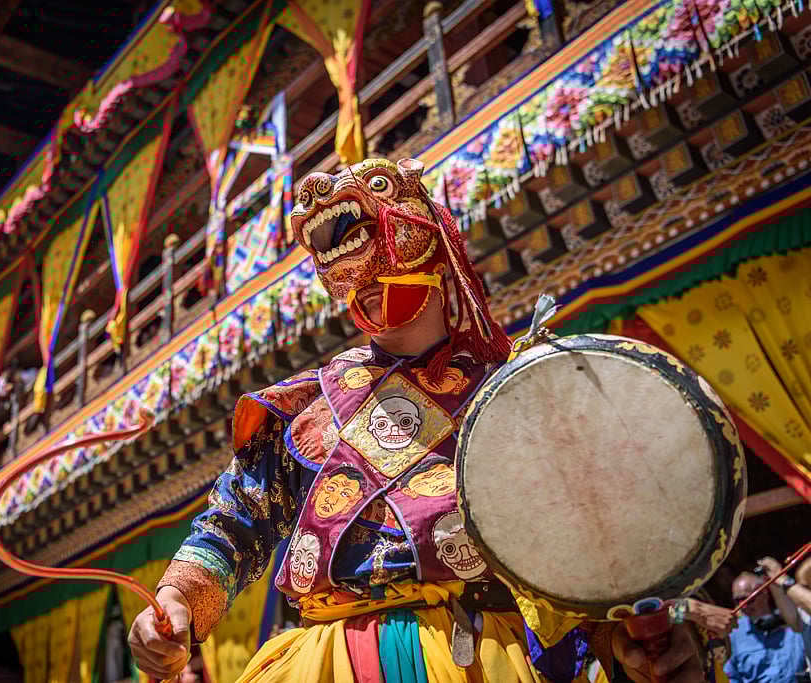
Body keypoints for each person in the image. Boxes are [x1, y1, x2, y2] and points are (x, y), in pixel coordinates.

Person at [129, 157, 711, 683]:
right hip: (321, 661)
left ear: (434, 234)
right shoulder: (305, 406)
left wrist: (628, 641)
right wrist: (177, 601)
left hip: (480, 655)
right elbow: (233, 525)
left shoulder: (520, 392)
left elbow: (591, 546)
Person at [724, 563, 806, 683]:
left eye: (748, 599)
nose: (743, 606)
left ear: (764, 594)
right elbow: (731, 677)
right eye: (738, 601)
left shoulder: (791, 620)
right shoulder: (734, 635)